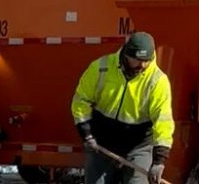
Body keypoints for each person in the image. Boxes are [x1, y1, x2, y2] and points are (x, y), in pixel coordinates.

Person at [71, 32, 174, 184]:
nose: (142, 65)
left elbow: (163, 121)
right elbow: (81, 101)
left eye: (146, 61)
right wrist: (86, 134)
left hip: (138, 147)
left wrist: (159, 160)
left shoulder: (157, 81)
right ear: (126, 54)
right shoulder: (101, 68)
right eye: (137, 60)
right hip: (102, 144)